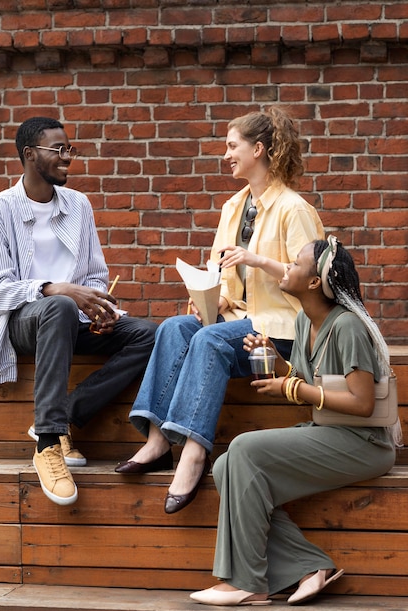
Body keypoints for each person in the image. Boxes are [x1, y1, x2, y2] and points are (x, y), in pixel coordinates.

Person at [115, 106, 325, 514]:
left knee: (209, 339)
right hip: (239, 319)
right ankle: (158, 441)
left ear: (258, 149)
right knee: (175, 327)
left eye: (233, 146)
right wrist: (214, 297)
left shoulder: (294, 209)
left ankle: (193, 452)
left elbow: (315, 279)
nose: (226, 154)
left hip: (280, 330)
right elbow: (224, 275)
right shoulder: (233, 207)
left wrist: (258, 260)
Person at [190, 236, 402, 607]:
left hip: (364, 443)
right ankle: (309, 566)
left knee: (242, 449)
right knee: (226, 466)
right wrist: (276, 359)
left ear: (315, 282)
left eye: (295, 264)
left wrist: (292, 389)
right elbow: (306, 377)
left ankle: (246, 581)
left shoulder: (347, 326)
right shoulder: (305, 321)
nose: (286, 267)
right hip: (330, 431)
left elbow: (363, 403)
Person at [0, 117, 157, 506]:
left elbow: (94, 274)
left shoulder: (78, 206)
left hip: (70, 319)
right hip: (18, 322)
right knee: (57, 307)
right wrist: (57, 290)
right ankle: (49, 445)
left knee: (151, 334)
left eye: (70, 149)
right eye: (58, 149)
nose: (68, 157)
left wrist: (99, 305)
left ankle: (65, 414)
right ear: (29, 155)